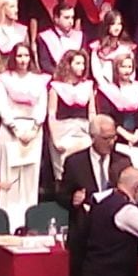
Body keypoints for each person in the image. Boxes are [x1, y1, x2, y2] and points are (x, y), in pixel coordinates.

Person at [57, 114, 132, 276]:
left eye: (114, 137)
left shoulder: (123, 162)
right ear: (93, 137)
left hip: (114, 241)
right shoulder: (75, 162)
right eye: (107, 138)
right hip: (83, 237)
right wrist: (72, 199)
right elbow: (59, 193)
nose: (112, 142)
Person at [0, 43, 49, 231]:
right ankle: (8, 221)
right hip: (11, 130)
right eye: (19, 56)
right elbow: (3, 106)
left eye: (26, 55)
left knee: (30, 176)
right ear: (13, 57)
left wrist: (34, 129)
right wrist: (16, 129)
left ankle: (28, 220)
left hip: (33, 130)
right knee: (10, 175)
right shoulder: (4, 80)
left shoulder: (38, 81)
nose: (23, 60)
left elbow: (42, 106)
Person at [47, 49, 95, 180]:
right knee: (65, 170)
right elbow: (51, 115)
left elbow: (92, 113)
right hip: (63, 131)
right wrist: (56, 139)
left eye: (83, 63)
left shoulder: (88, 86)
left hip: (83, 131)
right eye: (78, 63)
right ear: (68, 65)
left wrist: (94, 134)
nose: (82, 67)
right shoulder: (56, 88)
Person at [96, 53, 138, 149]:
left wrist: (136, 135)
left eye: (130, 67)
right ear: (116, 68)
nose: (127, 70)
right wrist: (126, 135)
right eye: (123, 66)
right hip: (116, 137)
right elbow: (106, 114)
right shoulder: (107, 90)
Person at [88, 9, 136, 85]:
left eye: (119, 24)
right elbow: (97, 74)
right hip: (104, 90)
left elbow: (132, 73)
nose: (117, 27)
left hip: (125, 89)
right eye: (113, 24)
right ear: (107, 26)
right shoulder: (97, 48)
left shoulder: (127, 48)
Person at [37, 1, 85, 74]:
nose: (70, 21)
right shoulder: (45, 37)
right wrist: (61, 76)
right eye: (66, 18)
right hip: (55, 78)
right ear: (56, 18)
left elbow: (85, 61)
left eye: (72, 17)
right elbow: (45, 63)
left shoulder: (80, 36)